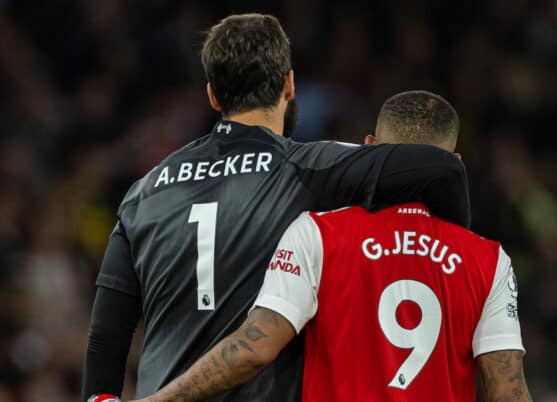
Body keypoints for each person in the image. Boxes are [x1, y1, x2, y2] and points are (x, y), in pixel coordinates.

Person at [82, 14, 472, 402]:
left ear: (213, 96)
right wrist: (452, 265)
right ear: (289, 84)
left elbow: (106, 336)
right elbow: (443, 170)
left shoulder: (144, 193)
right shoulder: (311, 167)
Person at [135, 91, 532, 402]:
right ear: (454, 161)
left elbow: (253, 348)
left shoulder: (317, 234)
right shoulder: (488, 259)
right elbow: (507, 392)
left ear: (369, 147)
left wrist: (157, 400)